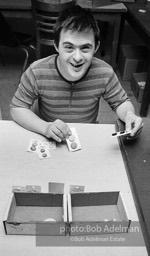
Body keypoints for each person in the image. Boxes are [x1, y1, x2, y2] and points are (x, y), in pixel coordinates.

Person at [10, 5, 143, 142]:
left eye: (85, 48)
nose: (77, 57)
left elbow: (121, 102)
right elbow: (17, 108)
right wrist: (45, 128)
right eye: (69, 47)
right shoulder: (36, 71)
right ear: (56, 45)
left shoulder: (105, 72)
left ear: (96, 47)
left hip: (85, 137)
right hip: (48, 138)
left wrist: (129, 114)